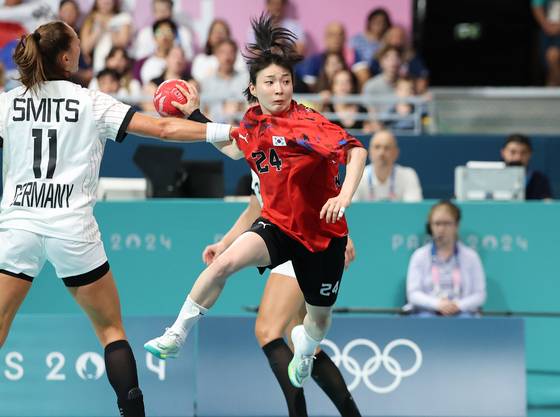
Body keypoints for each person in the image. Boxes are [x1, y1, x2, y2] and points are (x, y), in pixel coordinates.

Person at [0, 20, 235, 417]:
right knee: (110, 331)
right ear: (66, 58)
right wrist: (231, 130)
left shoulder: (8, 102)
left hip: (18, 227)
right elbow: (161, 127)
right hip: (72, 229)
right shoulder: (91, 102)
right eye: (77, 43)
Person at [144, 15, 368, 392]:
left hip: (322, 235)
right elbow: (235, 149)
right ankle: (175, 335)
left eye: (285, 81)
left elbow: (357, 150)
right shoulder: (253, 122)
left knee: (317, 320)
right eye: (270, 82)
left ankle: (306, 350)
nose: (280, 89)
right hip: (278, 225)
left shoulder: (307, 124)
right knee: (225, 262)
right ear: (253, 88)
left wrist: (344, 196)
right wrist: (195, 116)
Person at [202, 169, 361, 416]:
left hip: (303, 244)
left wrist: (343, 233)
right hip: (286, 246)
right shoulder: (256, 150)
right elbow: (255, 211)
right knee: (301, 341)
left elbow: (318, 191)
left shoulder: (287, 142)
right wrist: (224, 244)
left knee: (268, 331)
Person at [406, 200, 486, 317]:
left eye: (447, 223)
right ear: (430, 226)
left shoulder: (471, 257)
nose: (441, 229)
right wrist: (437, 304)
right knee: (425, 319)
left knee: (467, 320)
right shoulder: (419, 256)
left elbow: (479, 295)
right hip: (428, 312)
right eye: (437, 224)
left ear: (456, 225)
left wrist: (458, 305)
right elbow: (413, 294)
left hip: (461, 312)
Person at [353, 130, 422, 202]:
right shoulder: (357, 176)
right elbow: (351, 209)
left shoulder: (408, 175)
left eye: (387, 148)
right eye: (377, 147)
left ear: (396, 152)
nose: (381, 152)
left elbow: (413, 209)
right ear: (369, 151)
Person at [199, 39, 248, 123]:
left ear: (236, 55)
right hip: (214, 129)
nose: (227, 57)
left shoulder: (246, 78)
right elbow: (203, 110)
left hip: (242, 127)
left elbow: (252, 105)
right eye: (223, 52)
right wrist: (222, 107)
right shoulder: (206, 82)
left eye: (231, 52)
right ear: (216, 55)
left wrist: (239, 107)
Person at [501, 133, 553, 200]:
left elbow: (547, 203)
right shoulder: (493, 177)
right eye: (513, 152)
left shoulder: (540, 179)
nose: (518, 158)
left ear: (530, 154)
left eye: (523, 153)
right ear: (503, 153)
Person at [532, 0, 560, 85]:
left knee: (552, 55)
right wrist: (545, 24)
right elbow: (536, 5)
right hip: (547, 29)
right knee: (549, 67)